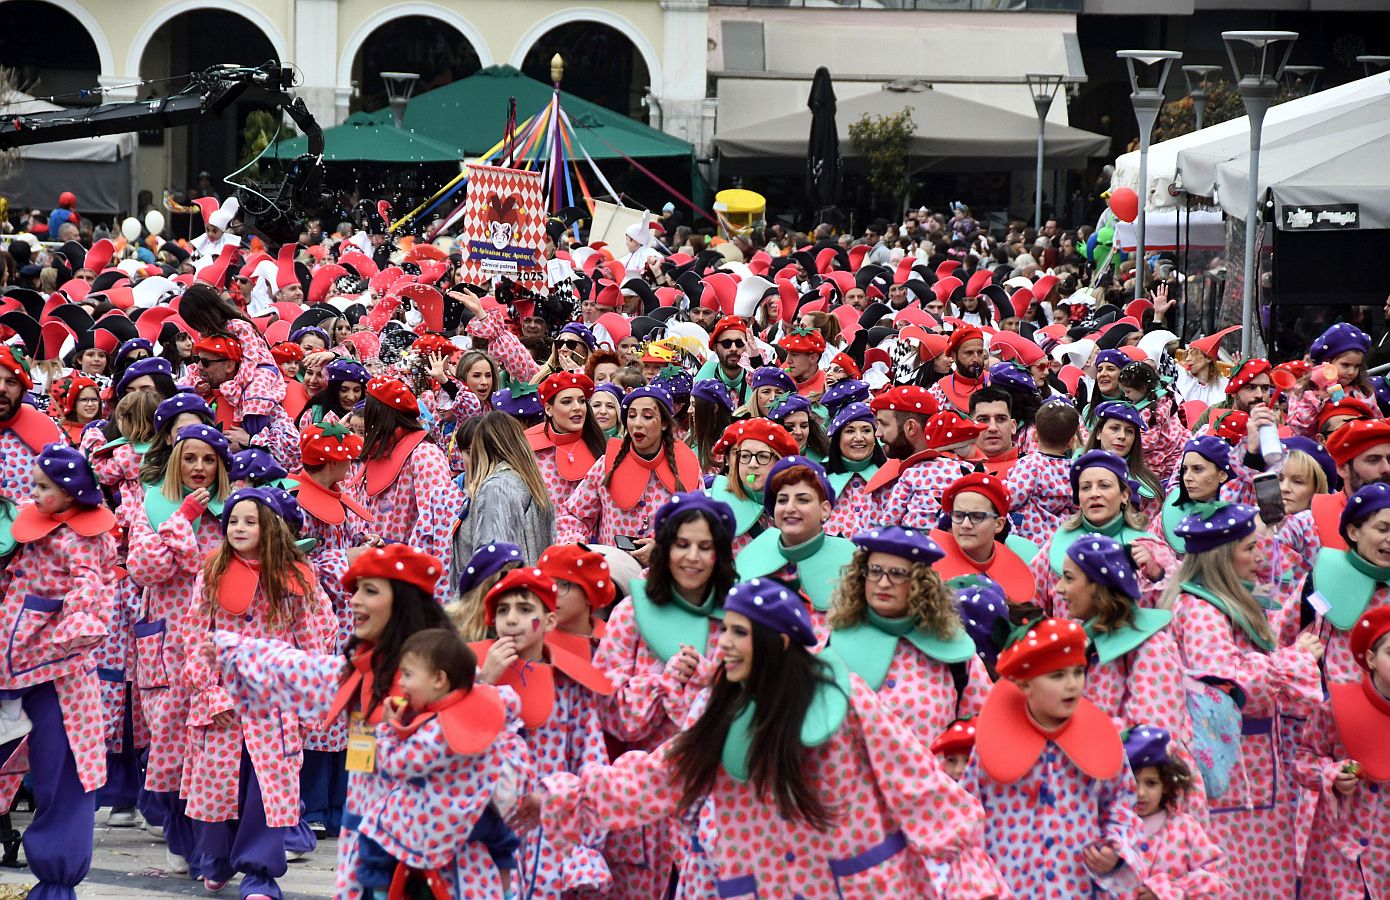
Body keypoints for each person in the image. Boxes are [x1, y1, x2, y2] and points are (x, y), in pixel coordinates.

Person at [534, 578, 1008, 897]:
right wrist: (564, 797)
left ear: (777, 642)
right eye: (726, 630)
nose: (723, 643)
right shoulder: (725, 711)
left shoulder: (843, 698)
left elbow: (917, 783)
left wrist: (970, 875)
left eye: (738, 633)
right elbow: (658, 777)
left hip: (857, 887)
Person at [172, 487, 333, 898]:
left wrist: (309, 702)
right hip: (220, 705)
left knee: (266, 795)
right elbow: (193, 637)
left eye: (250, 521)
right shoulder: (211, 572)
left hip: (272, 706)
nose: (238, 528)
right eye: (233, 521)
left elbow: (310, 643)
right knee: (216, 793)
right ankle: (216, 860)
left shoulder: (295, 579)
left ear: (271, 528)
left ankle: (260, 876)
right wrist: (209, 692)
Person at [1161, 502, 1323, 894]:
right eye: (1249, 548)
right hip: (1233, 776)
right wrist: (1295, 660)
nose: (1259, 557)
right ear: (1220, 556)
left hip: (1248, 770)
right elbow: (1227, 684)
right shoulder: (1200, 611)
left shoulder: (1221, 599)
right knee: (1239, 878)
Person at [591, 493, 737, 899]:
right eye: (682, 544)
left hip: (716, 803)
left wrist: (713, 686)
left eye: (704, 546)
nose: (692, 557)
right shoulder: (631, 614)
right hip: (642, 804)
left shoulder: (738, 619)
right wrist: (662, 685)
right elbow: (609, 711)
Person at [0, 444, 117, 899]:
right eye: (33, 484)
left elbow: (91, 586)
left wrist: (77, 625)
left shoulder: (85, 539)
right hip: (11, 664)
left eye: (43, 487)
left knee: (64, 770)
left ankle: (56, 882)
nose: (33, 493)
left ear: (70, 493)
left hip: (60, 671)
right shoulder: (27, 524)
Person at [965, 615, 1143, 896]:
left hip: (1076, 888)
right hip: (1010, 888)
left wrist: (1116, 850)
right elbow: (967, 817)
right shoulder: (991, 742)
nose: (1072, 684)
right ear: (1024, 684)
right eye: (1057, 675)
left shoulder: (1101, 738)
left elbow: (1121, 804)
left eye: (1078, 671)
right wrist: (978, 883)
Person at [472, 568, 614, 899]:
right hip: (486, 833)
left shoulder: (571, 687)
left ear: (549, 621)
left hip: (551, 838)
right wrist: (484, 682)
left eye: (525, 609)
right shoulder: (470, 675)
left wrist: (582, 839)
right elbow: (453, 742)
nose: (511, 620)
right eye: (503, 610)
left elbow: (592, 763)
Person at [355, 628, 523, 899]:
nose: (402, 683)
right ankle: (508, 891)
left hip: (440, 817)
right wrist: (481, 685)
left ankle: (381, 893)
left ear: (438, 679)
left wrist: (388, 729)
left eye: (408, 674)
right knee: (503, 840)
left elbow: (397, 765)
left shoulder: (436, 731)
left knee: (373, 831)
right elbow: (511, 701)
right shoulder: (480, 703)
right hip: (481, 809)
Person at [825, 526, 989, 749]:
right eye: (875, 571)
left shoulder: (957, 653)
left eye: (897, 574)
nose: (883, 583)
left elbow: (983, 732)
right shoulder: (835, 644)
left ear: (921, 583)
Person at [290, 422, 376, 838]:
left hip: (358, 622)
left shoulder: (342, 495)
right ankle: (315, 804)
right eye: (345, 459)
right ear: (329, 462)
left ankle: (353, 803)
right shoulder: (297, 501)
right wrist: (348, 558)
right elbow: (300, 562)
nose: (351, 464)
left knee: (361, 711)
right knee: (324, 712)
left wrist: (368, 545)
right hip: (322, 624)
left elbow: (352, 537)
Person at [1295, 607, 1390, 897]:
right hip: (1338, 858)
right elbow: (1303, 762)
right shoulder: (1336, 707)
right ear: (1371, 659)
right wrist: (1331, 773)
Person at [351, 376, 465, 602]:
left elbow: (439, 525)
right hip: (373, 573)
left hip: (406, 580)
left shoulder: (424, 454)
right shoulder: (377, 450)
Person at [557, 384, 700, 553]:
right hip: (613, 566)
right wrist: (578, 546)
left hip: (664, 567)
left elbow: (698, 525)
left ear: (664, 423)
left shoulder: (687, 465)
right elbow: (574, 517)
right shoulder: (606, 465)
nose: (637, 424)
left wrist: (662, 549)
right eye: (632, 416)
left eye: (647, 416)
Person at [1030, 451, 1175, 617]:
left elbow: (1174, 610)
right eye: (1085, 487)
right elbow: (1032, 605)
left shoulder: (1150, 547)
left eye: (1104, 485)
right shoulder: (1056, 545)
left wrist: (1156, 574)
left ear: (1124, 495)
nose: (1094, 494)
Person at [734, 456, 855, 633]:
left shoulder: (851, 560)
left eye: (803, 499)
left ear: (825, 510)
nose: (790, 508)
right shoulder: (750, 556)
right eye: (782, 500)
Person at [1122, 725, 1229, 897]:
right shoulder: (1112, 829)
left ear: (1165, 785)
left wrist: (1168, 892)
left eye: (1151, 783)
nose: (1140, 793)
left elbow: (1217, 879)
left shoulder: (1185, 828)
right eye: (1132, 781)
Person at [455, 411, 555, 565]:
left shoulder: (496, 489)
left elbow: (492, 561)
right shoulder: (530, 482)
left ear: (484, 449)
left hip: (508, 580)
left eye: (474, 450)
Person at [932, 473, 1036, 605]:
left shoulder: (1016, 578)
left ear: (999, 524)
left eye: (977, 516)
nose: (965, 525)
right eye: (958, 515)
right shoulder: (927, 564)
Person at [706, 418, 796, 552]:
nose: (752, 464)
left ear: (780, 462)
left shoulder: (796, 506)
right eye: (745, 456)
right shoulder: (710, 502)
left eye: (763, 456)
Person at [525, 372, 606, 512]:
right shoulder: (526, 447)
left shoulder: (600, 447)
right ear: (548, 409)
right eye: (567, 402)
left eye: (582, 401)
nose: (577, 407)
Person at [1005, 399, 1079, 545]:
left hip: (1029, 539)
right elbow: (1077, 506)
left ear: (1034, 435)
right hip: (1060, 540)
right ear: (1071, 442)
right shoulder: (1074, 470)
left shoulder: (1030, 465)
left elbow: (1012, 498)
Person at [823, 402, 885, 538]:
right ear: (838, 438)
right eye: (850, 431)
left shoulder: (891, 478)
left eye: (866, 430)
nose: (859, 438)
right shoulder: (818, 479)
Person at [927, 326, 987, 414]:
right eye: (969, 353)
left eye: (980, 352)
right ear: (954, 356)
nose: (976, 359)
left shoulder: (995, 382)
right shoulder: (938, 393)